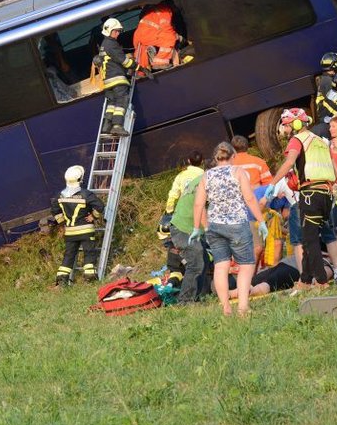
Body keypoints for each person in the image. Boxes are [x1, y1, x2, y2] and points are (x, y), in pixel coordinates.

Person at [192, 142, 268, 316]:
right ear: (233, 156)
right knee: (246, 265)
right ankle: (242, 307)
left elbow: (198, 204)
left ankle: (225, 307)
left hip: (215, 226)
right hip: (237, 224)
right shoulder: (238, 172)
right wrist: (261, 220)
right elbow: (249, 197)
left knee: (221, 266)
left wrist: (197, 227)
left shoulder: (207, 176)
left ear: (216, 158)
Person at [266, 108, 337, 287]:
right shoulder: (320, 141)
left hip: (310, 193)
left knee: (310, 240)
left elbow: (289, 162)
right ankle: (305, 281)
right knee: (309, 237)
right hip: (327, 194)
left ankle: (321, 281)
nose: (284, 129)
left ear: (296, 124)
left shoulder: (298, 140)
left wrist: (273, 183)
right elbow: (336, 172)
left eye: (286, 125)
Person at [51, 165, 105, 285]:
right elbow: (100, 206)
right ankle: (90, 278)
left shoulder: (59, 196)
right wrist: (94, 216)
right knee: (89, 253)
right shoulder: (86, 194)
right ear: (80, 179)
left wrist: (64, 222)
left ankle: (61, 279)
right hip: (86, 231)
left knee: (69, 255)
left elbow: (55, 211)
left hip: (70, 232)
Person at [158, 151, 205, 288]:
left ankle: (177, 274)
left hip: (181, 215)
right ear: (202, 162)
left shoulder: (181, 176)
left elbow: (172, 195)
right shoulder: (203, 176)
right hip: (198, 214)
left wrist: (169, 212)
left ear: (188, 161)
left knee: (177, 247)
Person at [97, 18, 149, 137]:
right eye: (116, 31)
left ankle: (106, 125)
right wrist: (140, 68)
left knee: (112, 104)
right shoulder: (112, 44)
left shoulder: (103, 45)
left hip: (107, 81)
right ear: (109, 31)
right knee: (122, 101)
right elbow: (124, 62)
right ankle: (117, 126)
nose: (118, 33)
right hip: (117, 79)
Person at [132, 0, 186, 71]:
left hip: (138, 36)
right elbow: (167, 29)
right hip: (148, 34)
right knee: (170, 38)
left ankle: (140, 72)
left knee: (141, 53)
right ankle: (159, 63)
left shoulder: (152, 11)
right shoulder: (165, 11)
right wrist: (178, 37)